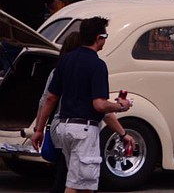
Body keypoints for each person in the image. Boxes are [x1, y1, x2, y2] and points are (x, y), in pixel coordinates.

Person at [31, 17, 134, 193]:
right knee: (75, 185)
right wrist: (121, 106)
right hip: (84, 131)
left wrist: (39, 129)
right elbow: (100, 105)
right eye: (105, 36)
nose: (105, 41)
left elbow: (50, 98)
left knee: (83, 184)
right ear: (98, 37)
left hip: (63, 127)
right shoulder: (97, 65)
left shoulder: (65, 61)